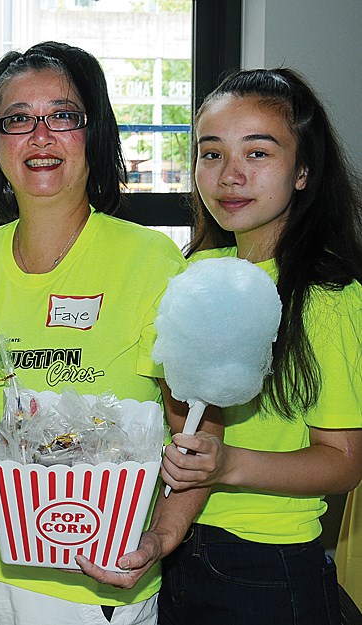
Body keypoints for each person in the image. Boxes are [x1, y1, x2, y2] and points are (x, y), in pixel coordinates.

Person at [0, 41, 221, 625]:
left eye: (62, 116)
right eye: (17, 120)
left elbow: (196, 430)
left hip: (92, 580)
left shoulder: (152, 261)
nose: (40, 136)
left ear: (95, 133)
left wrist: (159, 541)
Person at [159, 68, 362, 625]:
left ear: (303, 171)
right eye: (211, 153)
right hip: (175, 542)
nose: (230, 175)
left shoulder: (328, 297)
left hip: (268, 565)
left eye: (257, 154)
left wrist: (226, 464)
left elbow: (343, 463)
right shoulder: (196, 271)